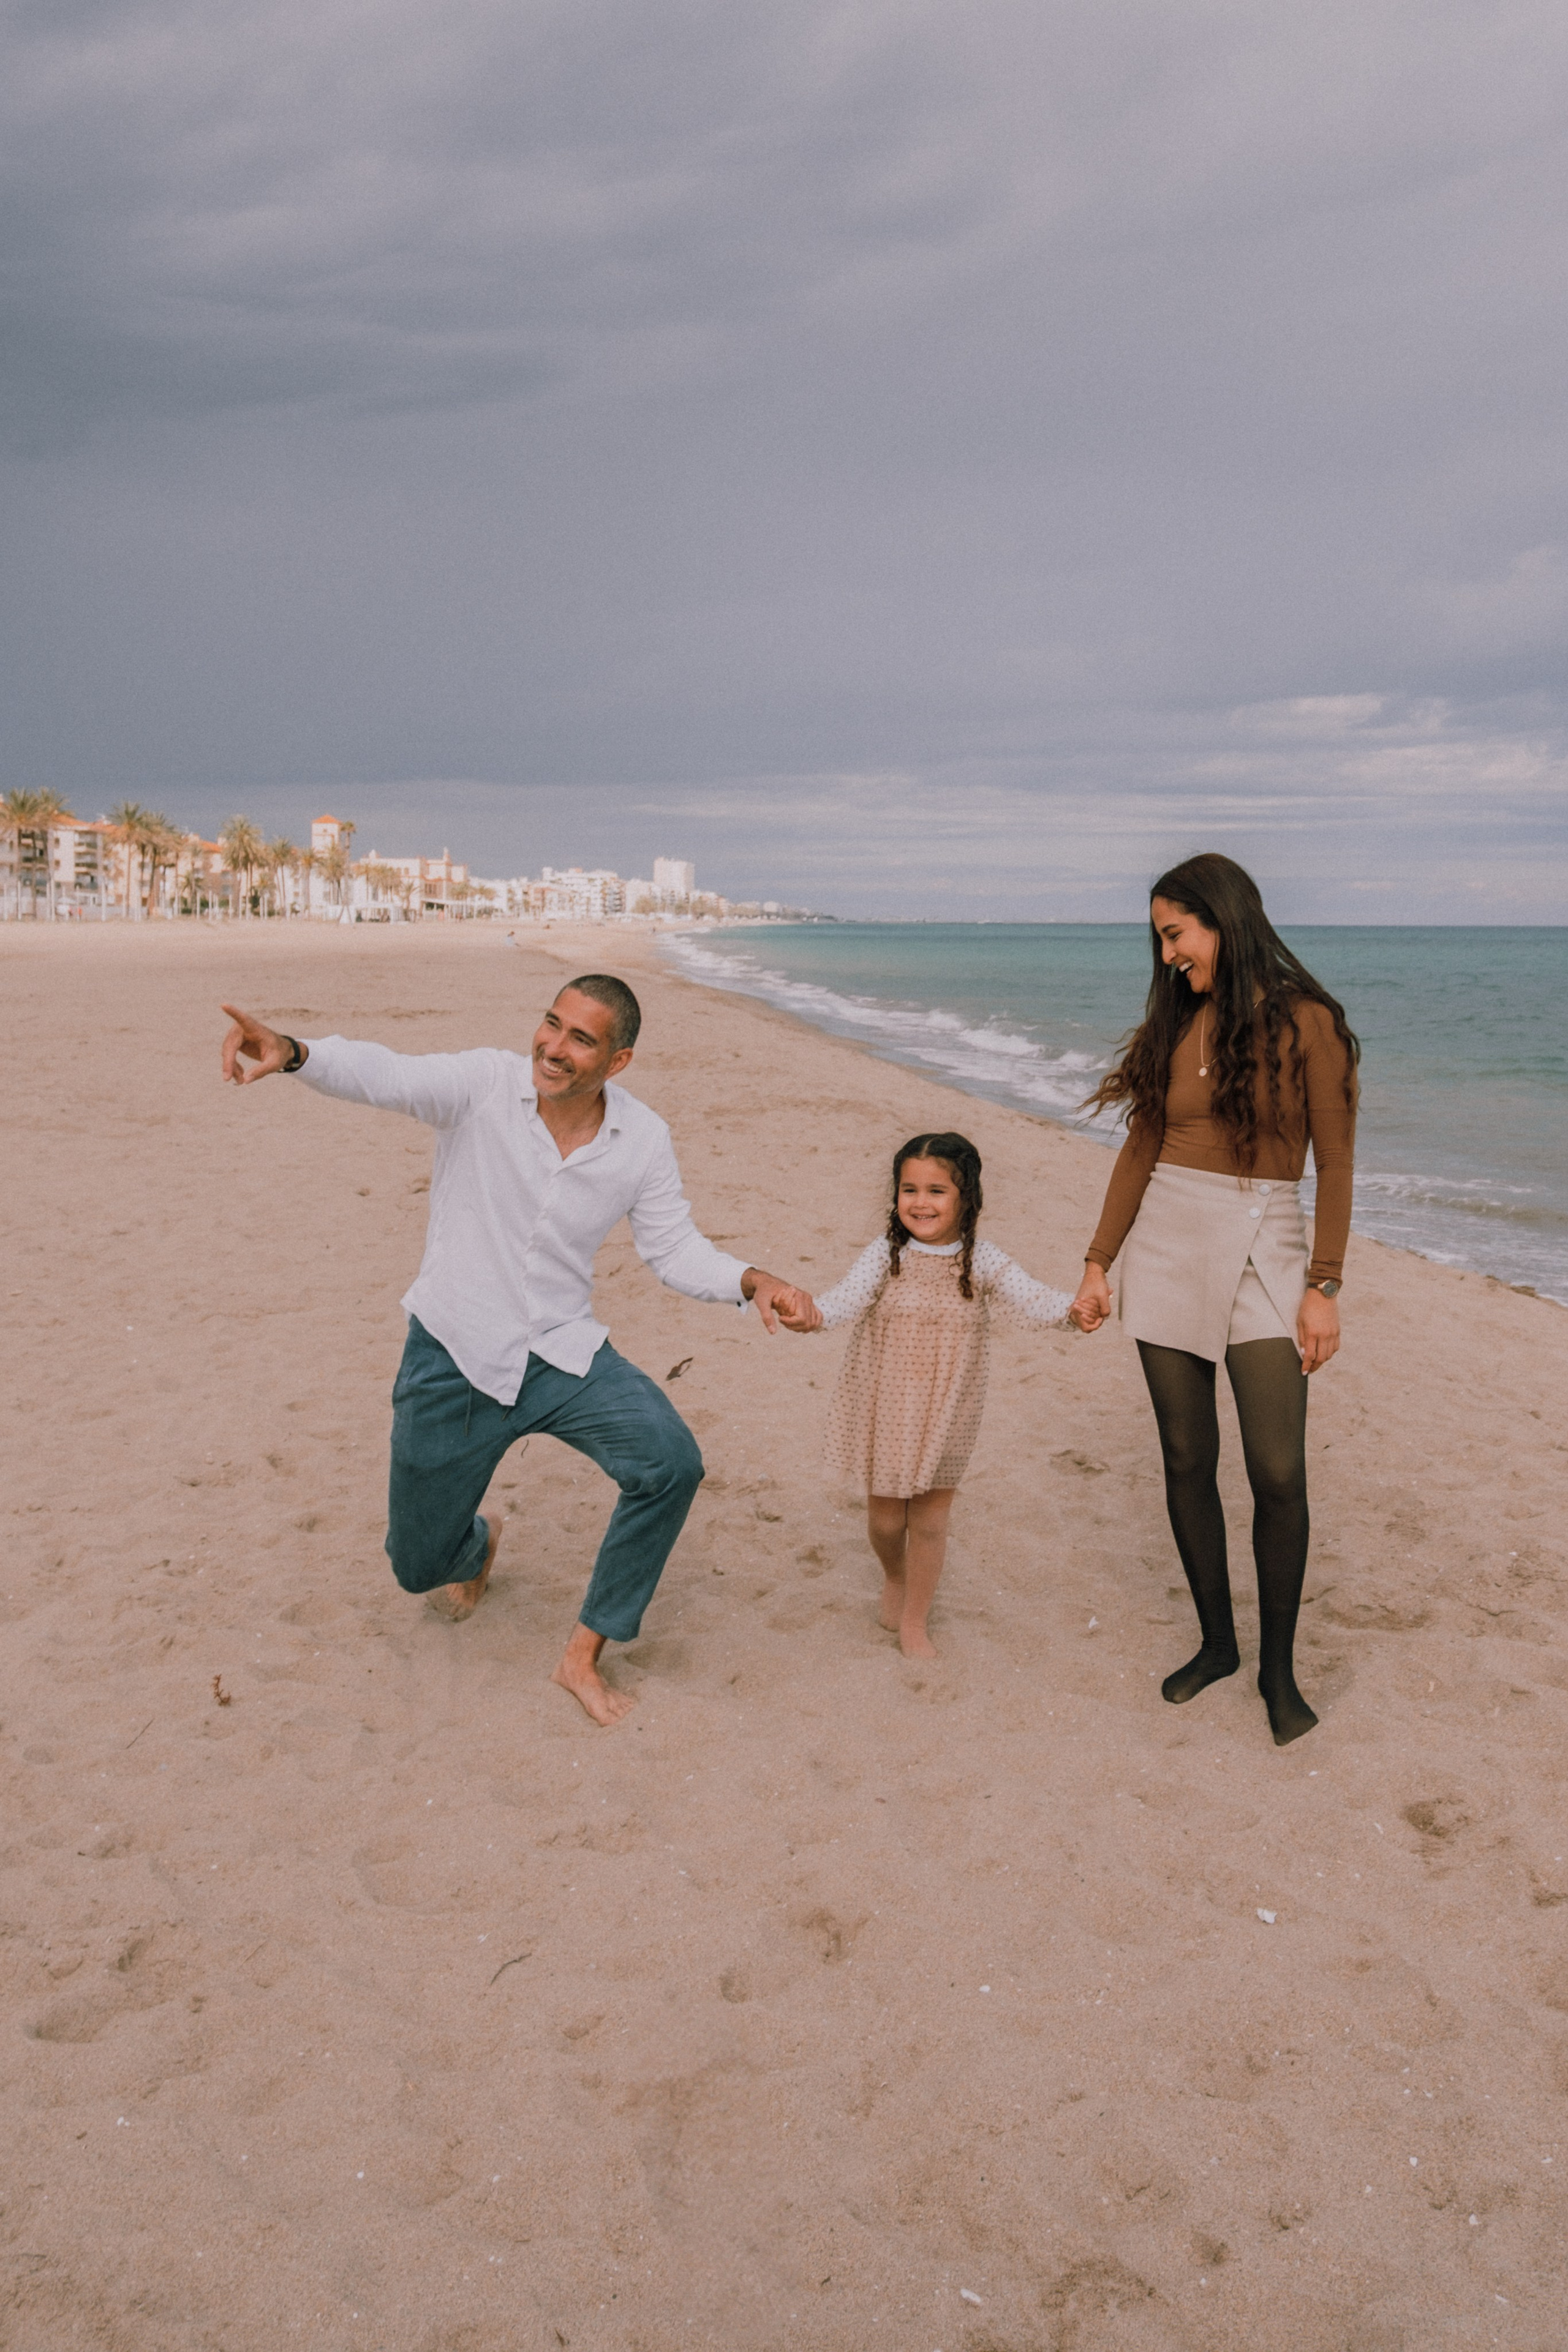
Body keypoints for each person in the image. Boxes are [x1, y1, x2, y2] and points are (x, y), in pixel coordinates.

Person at [220, 976, 809, 1728]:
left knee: (670, 1463)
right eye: (551, 1023)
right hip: (453, 1353)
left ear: (617, 1062)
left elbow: (672, 1247)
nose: (553, 1047)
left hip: (562, 1353)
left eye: (580, 1039)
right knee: (416, 1568)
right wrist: (297, 1052)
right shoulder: (484, 1086)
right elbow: (389, 1074)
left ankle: (583, 1654)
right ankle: (477, 1545)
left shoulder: (643, 1139)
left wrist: (751, 1280)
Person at [1069, 854, 1359, 1747]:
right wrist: (1097, 1262)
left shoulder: (1310, 1023)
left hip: (1267, 1247)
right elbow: (1141, 1150)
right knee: (1187, 1458)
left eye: (1175, 935)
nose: (1167, 956)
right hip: (1166, 1243)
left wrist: (1323, 1284)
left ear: (1222, 920)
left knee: (1278, 1471)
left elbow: (1335, 1162)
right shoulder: (1176, 1025)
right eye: (1160, 940)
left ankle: (1279, 1670)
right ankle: (1218, 1645)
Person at [800, 1133, 1073, 1657]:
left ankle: (915, 1620)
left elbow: (1035, 1299)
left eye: (937, 1191)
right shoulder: (886, 1255)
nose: (920, 1203)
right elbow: (841, 1302)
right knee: (885, 1521)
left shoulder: (982, 1261)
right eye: (910, 1190)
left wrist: (1074, 1311)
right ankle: (895, 1575)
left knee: (928, 1520)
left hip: (950, 1411)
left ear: (967, 1198)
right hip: (886, 1407)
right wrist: (810, 1316)